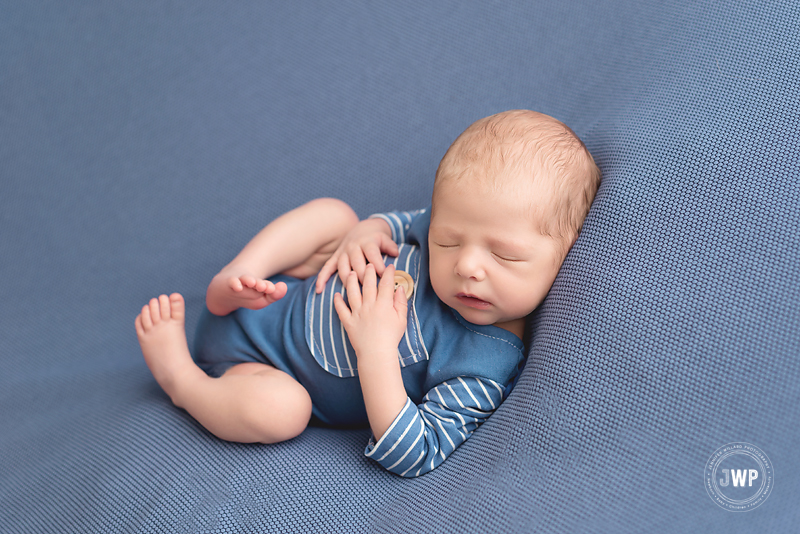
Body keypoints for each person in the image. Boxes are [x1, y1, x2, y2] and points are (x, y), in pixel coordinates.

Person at [134, 109, 601, 477]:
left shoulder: (484, 367)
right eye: (448, 240)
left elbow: (416, 452)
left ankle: (182, 380)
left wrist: (375, 351)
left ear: (567, 253)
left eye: (505, 256)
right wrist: (369, 230)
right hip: (279, 290)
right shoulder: (456, 221)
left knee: (281, 413)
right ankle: (241, 273)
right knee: (339, 217)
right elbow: (400, 223)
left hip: (257, 370)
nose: (466, 265)